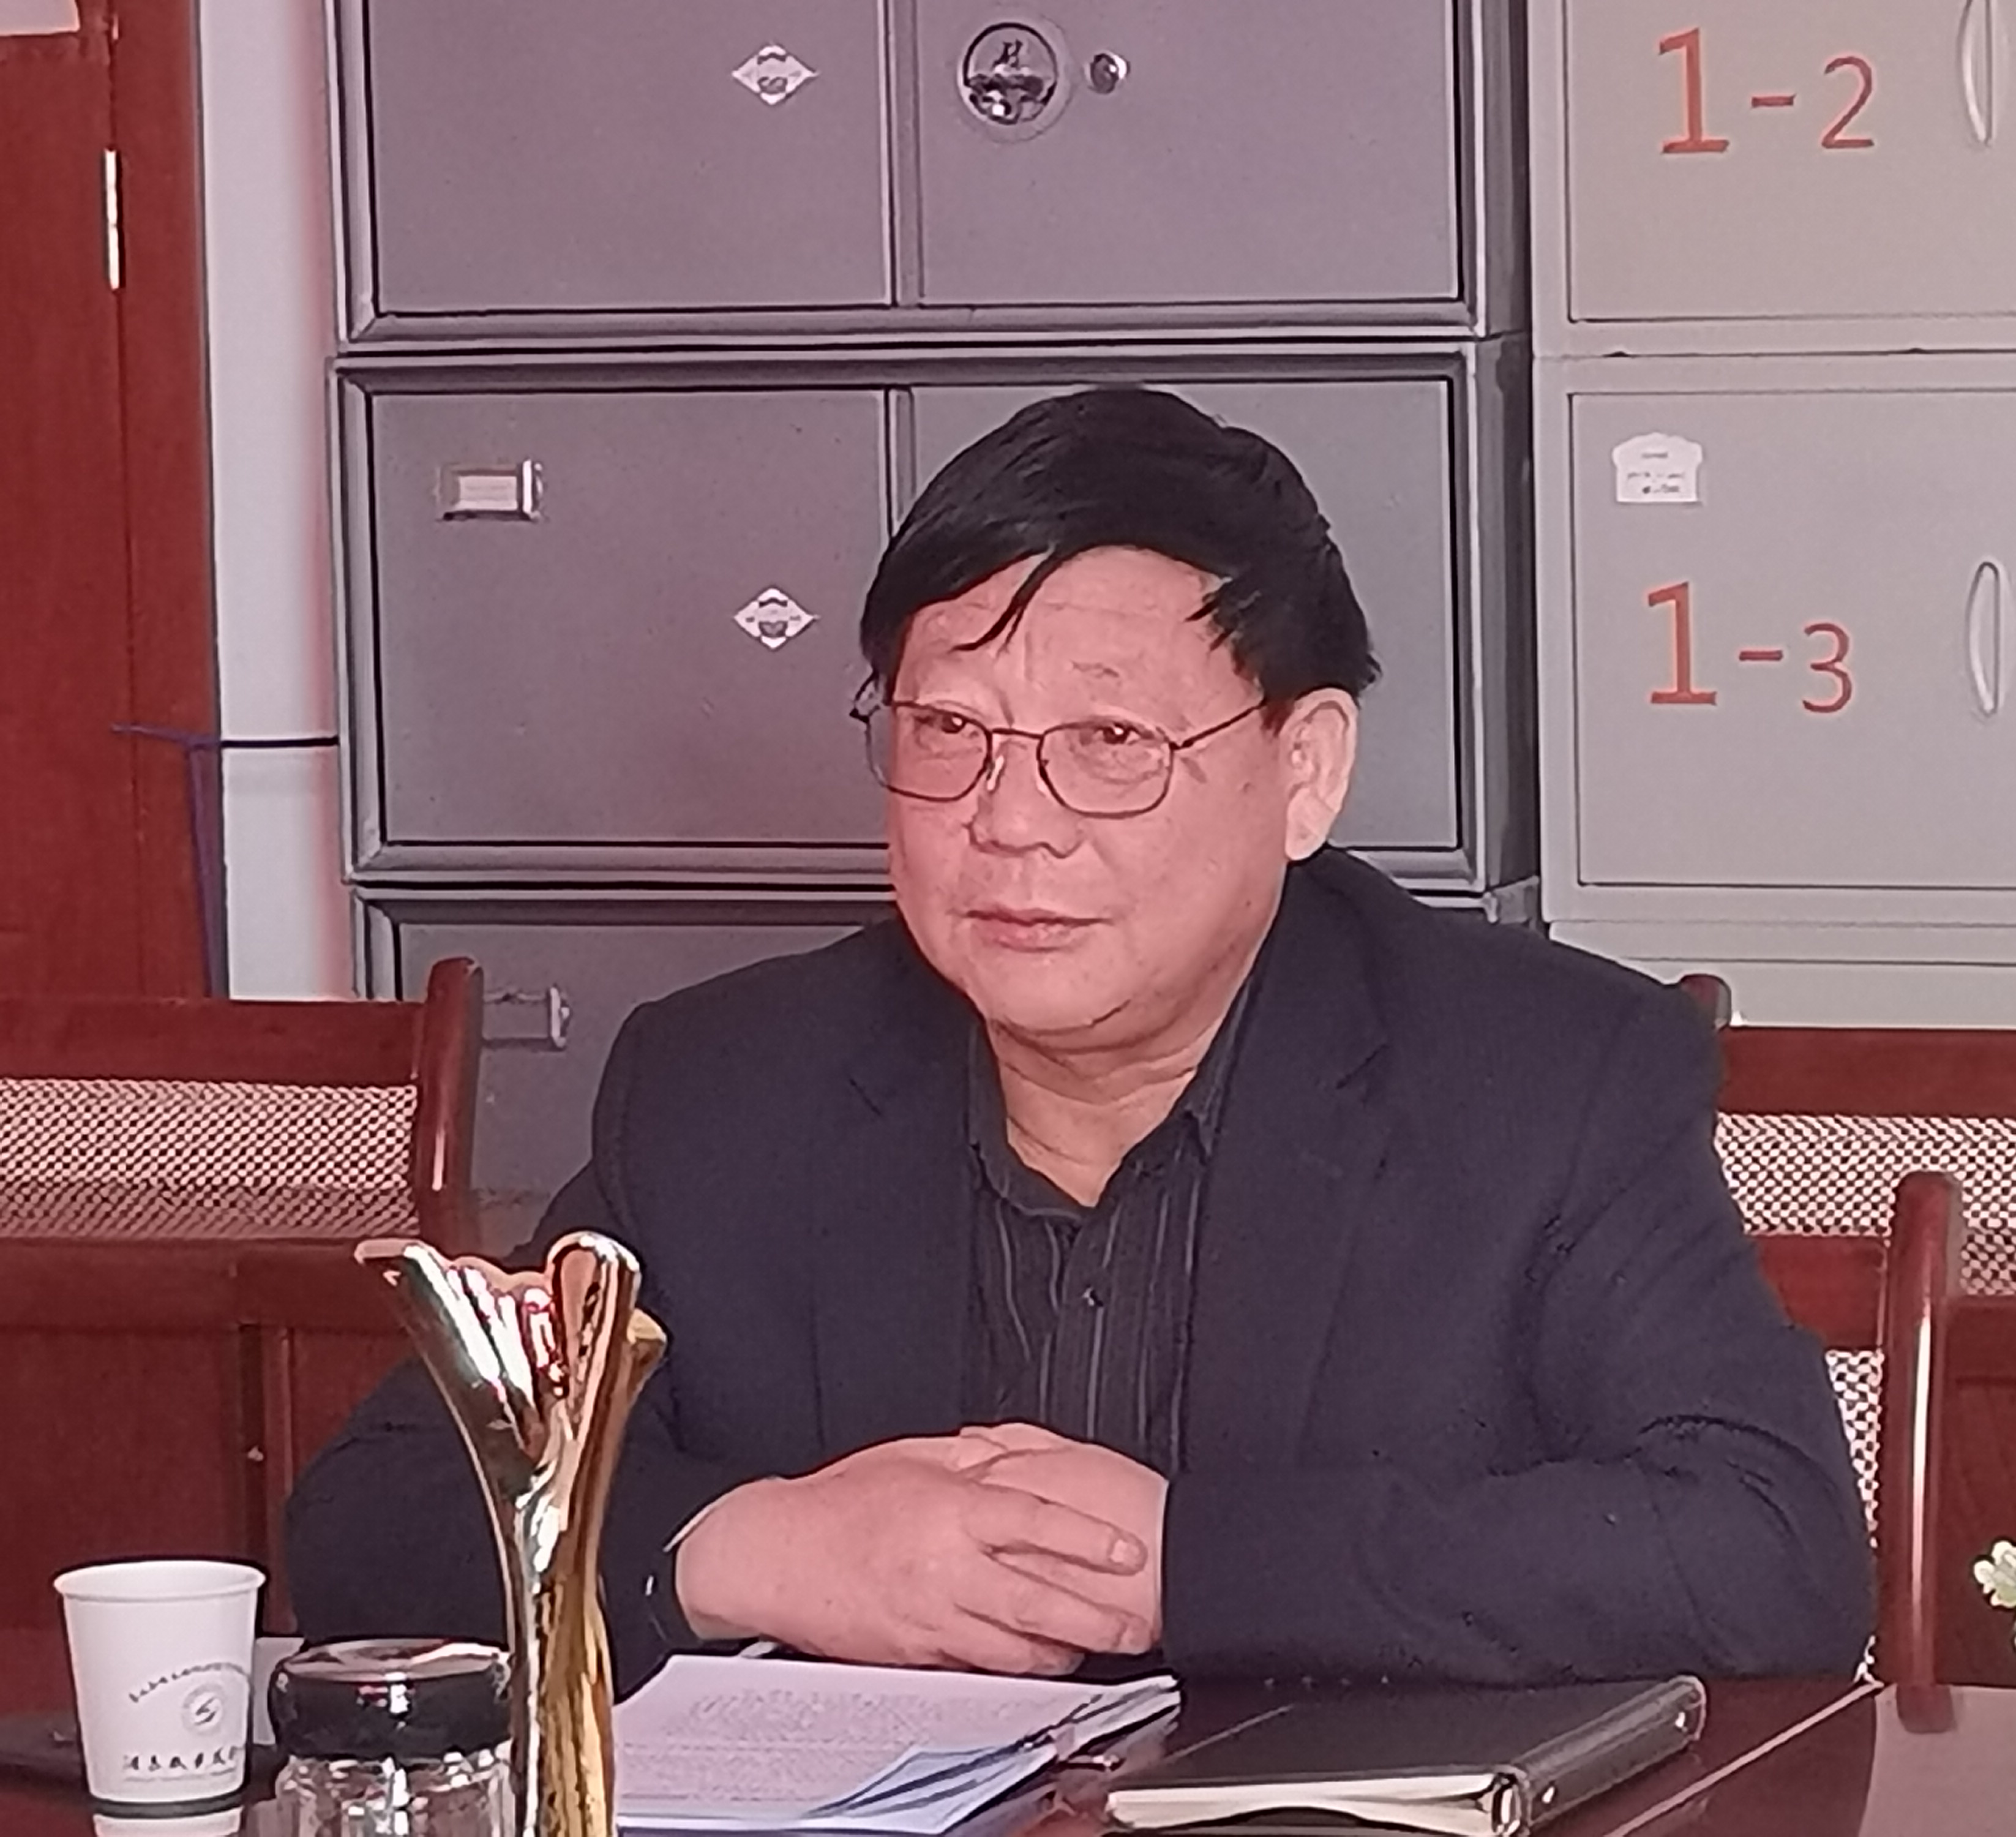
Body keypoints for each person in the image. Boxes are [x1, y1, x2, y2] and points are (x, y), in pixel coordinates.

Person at [287, 386, 1871, 1692]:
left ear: (1305, 771)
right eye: (949, 732)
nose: (1011, 822)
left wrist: (1176, 1563)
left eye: (1109, 740)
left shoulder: (1542, 1079)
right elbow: (377, 1512)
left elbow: (1770, 1545)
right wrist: (753, 1546)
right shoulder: (728, 1088)